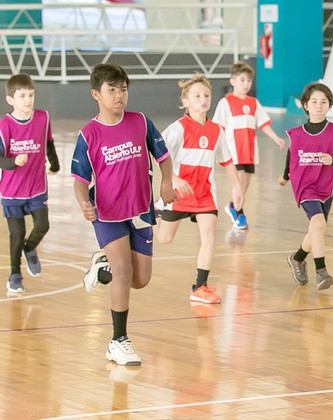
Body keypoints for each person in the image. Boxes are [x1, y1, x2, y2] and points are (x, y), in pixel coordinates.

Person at [71, 63, 177, 365]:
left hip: (141, 211)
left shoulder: (141, 122)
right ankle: (118, 341)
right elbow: (79, 180)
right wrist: (83, 203)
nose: (119, 95)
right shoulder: (88, 135)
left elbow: (163, 157)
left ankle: (102, 268)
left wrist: (167, 181)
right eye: (112, 90)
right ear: (96, 94)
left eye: (123, 89)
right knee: (124, 272)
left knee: (140, 279)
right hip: (107, 214)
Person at [156, 73, 244, 305]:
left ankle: (200, 287)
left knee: (209, 238)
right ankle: (155, 210)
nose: (203, 99)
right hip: (178, 195)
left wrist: (237, 185)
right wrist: (173, 179)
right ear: (185, 102)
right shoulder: (178, 128)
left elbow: (226, 160)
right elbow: (158, 156)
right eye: (196, 96)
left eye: (206, 95)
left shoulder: (217, 130)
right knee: (164, 238)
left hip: (205, 194)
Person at [279, 82, 333, 290]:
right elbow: (291, 157)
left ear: (329, 106)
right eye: (314, 101)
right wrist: (285, 177)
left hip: (327, 186)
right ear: (306, 106)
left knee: (317, 229)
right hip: (306, 186)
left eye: (324, 102)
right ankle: (322, 271)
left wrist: (332, 160)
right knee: (318, 225)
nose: (319, 105)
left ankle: (298, 258)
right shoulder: (297, 134)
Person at [0, 74, 60, 293]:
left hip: (36, 187)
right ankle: (15, 275)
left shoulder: (43, 118)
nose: (28, 100)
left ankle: (30, 248)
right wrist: (12, 162)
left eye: (31, 95)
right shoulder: (4, 126)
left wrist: (54, 165)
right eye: (22, 95)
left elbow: (49, 143)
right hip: (11, 191)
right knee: (16, 234)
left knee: (43, 225)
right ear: (10, 100)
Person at [212, 61, 285, 229]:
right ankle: (238, 212)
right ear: (233, 81)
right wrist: (217, 151)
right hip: (233, 151)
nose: (246, 84)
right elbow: (218, 128)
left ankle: (233, 206)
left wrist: (275, 138)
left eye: (249, 81)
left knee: (246, 181)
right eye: (242, 80)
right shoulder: (226, 103)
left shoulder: (253, 102)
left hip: (250, 151)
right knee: (238, 182)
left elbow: (263, 123)